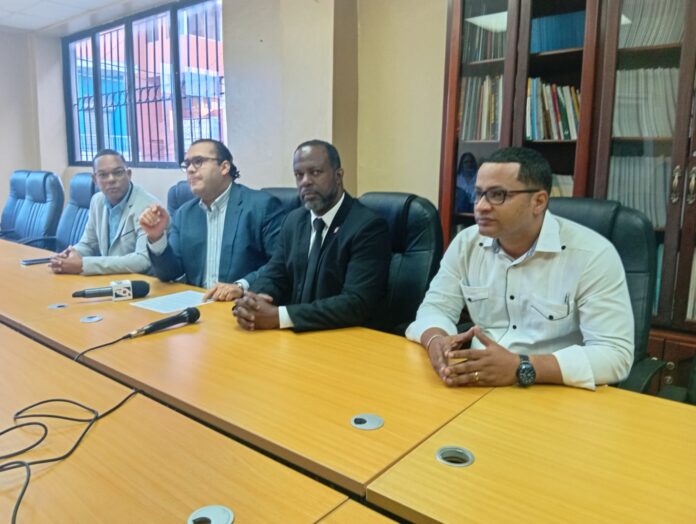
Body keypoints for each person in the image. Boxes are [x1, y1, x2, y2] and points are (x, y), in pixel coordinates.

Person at [406, 147, 634, 390]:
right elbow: (436, 308)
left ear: (538, 202)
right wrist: (436, 340)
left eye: (497, 195)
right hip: (477, 380)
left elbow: (615, 355)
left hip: (553, 389)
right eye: (478, 194)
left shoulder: (592, 255)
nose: (481, 206)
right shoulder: (466, 243)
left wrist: (521, 366)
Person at [232, 139, 391, 331]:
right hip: (296, 335)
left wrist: (279, 317)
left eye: (315, 172)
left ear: (338, 176)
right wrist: (253, 302)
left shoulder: (367, 226)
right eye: (299, 175)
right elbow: (275, 275)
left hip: (344, 336)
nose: (305, 181)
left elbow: (355, 303)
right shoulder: (293, 221)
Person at [139, 139, 283, 301]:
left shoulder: (261, 206)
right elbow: (170, 273)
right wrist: (157, 237)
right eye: (187, 164)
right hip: (198, 304)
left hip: (242, 304)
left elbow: (280, 263)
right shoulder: (185, 214)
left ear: (224, 167)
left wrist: (241, 286)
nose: (190, 169)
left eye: (198, 162)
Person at [49, 149, 159, 275]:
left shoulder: (148, 207)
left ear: (128, 174)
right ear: (95, 179)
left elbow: (143, 260)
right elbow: (89, 244)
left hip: (140, 281)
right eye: (103, 175)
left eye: (118, 172)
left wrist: (84, 265)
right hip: (109, 279)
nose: (111, 179)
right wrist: (71, 254)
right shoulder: (97, 201)